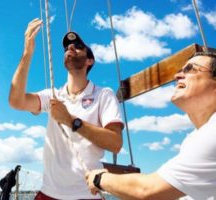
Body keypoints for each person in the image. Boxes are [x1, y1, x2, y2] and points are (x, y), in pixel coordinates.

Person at [9, 18, 123, 200]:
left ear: (90, 60)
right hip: (49, 193)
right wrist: (27, 53)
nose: (70, 47)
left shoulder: (103, 95)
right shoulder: (52, 95)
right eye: (67, 47)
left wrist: (70, 121)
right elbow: (16, 101)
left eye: (77, 45)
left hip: (87, 194)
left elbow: (115, 144)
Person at [85, 51, 216, 200]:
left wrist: (100, 178)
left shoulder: (212, 133)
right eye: (180, 70)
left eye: (190, 69)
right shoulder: (194, 138)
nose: (177, 76)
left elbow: (147, 190)